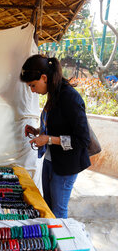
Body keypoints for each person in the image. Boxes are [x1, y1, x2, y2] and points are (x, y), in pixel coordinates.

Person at [20, 54, 91, 218]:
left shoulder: (70, 97)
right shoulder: (54, 93)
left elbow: (82, 139)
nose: (32, 90)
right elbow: (58, 126)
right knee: (48, 207)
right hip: (51, 160)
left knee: (58, 212)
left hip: (66, 166)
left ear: (44, 78)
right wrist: (38, 131)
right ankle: (53, 239)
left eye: (32, 85)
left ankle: (60, 241)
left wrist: (49, 139)